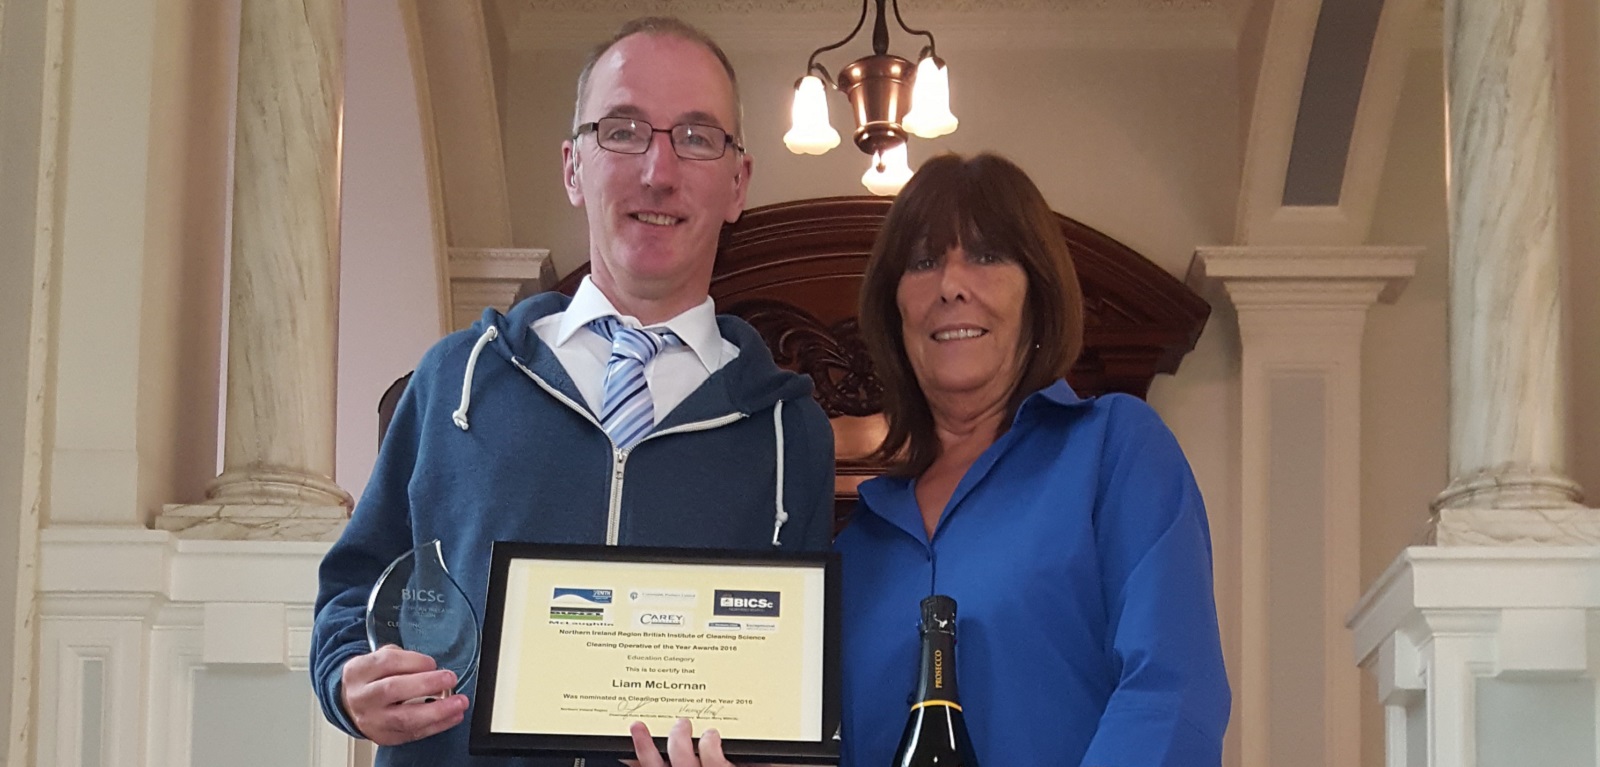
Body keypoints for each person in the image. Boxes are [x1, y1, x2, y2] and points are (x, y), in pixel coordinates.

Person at [309, 18, 836, 767]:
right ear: (572, 166)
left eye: (696, 135)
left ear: (737, 183)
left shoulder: (792, 432)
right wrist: (348, 679)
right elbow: (353, 591)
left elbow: (793, 697)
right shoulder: (454, 379)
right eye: (622, 130)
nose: (658, 170)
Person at [835, 152, 1230, 765]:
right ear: (895, 311)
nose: (951, 284)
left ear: (1037, 293)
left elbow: (1171, 693)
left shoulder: (1114, 451)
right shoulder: (857, 544)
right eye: (923, 261)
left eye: (987, 256)